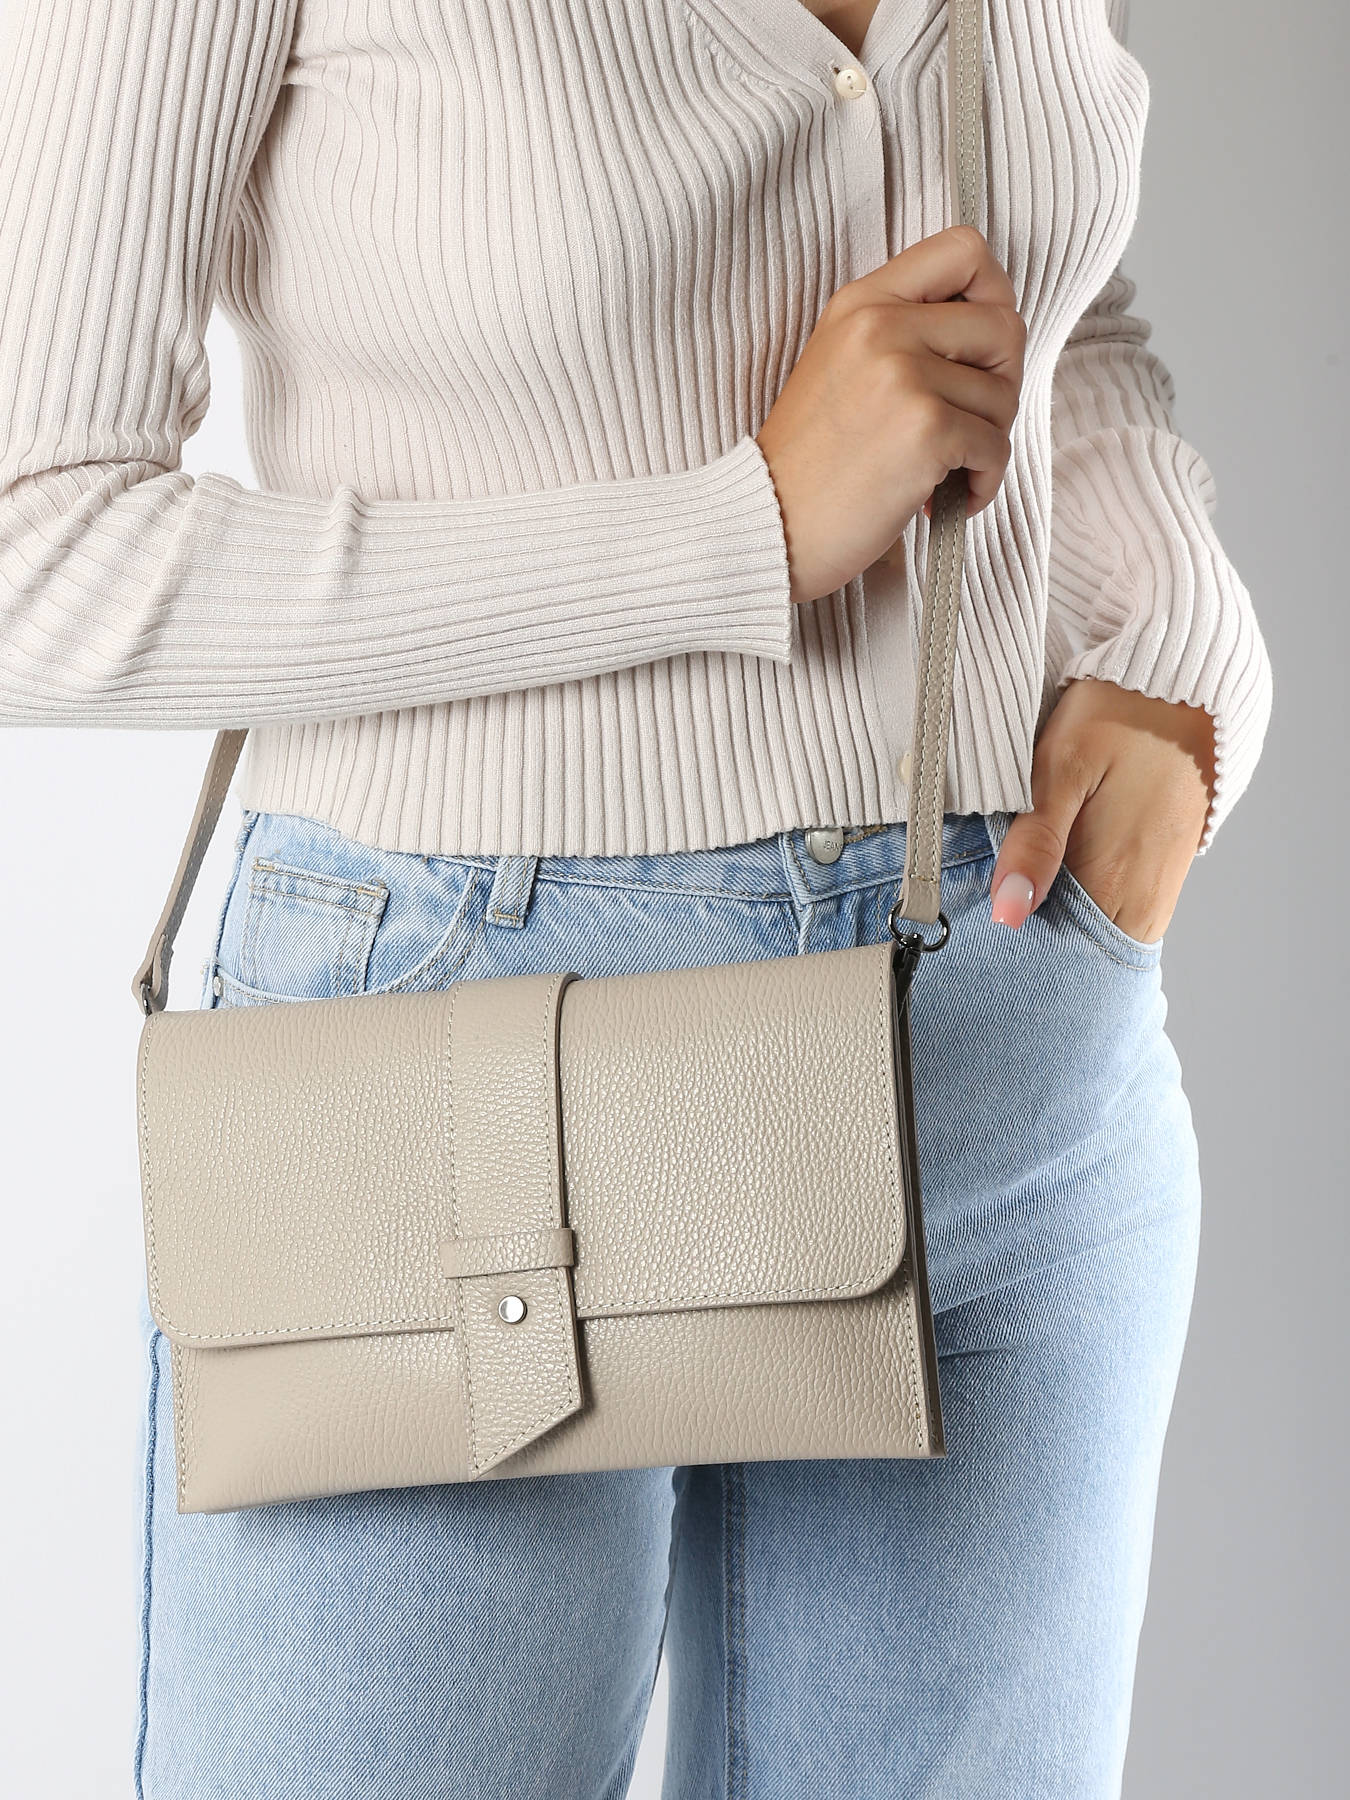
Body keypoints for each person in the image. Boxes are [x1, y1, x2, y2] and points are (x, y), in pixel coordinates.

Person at [0, 0, 1271, 1794]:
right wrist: (737, 534)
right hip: (445, 1102)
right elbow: (32, 545)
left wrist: (1180, 654)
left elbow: (1058, 311)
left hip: (991, 1048)